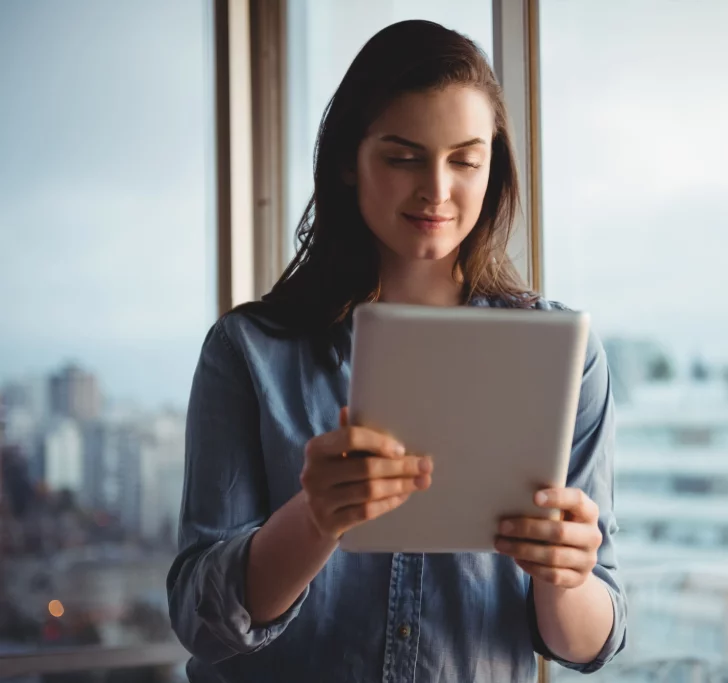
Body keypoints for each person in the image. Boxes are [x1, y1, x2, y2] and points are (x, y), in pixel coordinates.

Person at [166, 20, 626, 682]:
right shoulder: (248, 353)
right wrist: (316, 519)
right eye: (404, 156)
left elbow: (588, 640)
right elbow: (199, 616)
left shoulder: (563, 357)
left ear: (492, 165)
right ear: (351, 161)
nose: (437, 190)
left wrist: (566, 572)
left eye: (465, 159)